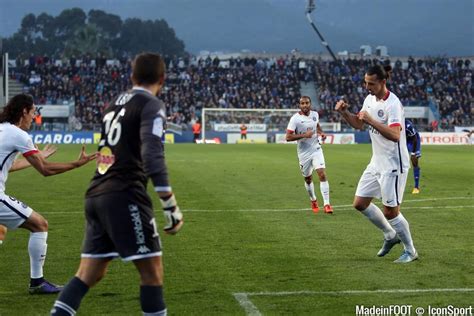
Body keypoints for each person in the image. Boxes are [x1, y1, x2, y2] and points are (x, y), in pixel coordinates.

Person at [51, 52, 184, 316]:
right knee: (152, 274)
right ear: (163, 78)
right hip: (125, 195)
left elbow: (108, 152)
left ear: (132, 76)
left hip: (97, 192)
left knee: (90, 273)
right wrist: (170, 205)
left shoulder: (114, 103)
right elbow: (153, 157)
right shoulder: (151, 104)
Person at [0, 93, 97, 293]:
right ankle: (37, 283)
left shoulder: (3, 130)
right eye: (33, 112)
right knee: (39, 224)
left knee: (1, 230)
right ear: (24, 111)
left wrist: (36, 157)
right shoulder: (20, 135)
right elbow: (46, 170)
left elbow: (8, 166)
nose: (34, 117)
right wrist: (77, 164)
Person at [335, 64, 418, 263]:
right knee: (360, 203)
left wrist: (371, 121)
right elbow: (359, 123)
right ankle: (390, 236)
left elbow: (395, 135)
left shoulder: (393, 104)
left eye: (371, 83)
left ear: (383, 82)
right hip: (376, 162)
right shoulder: (369, 99)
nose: (367, 87)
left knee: (391, 211)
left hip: (393, 164)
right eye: (365, 82)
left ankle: (410, 251)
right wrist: (345, 113)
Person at [286, 96, 333, 214]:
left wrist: (321, 133)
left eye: (307, 103)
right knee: (308, 179)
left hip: (316, 149)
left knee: (322, 174)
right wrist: (304, 135)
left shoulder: (315, 114)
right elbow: (288, 137)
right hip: (303, 153)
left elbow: (316, 125)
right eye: (302, 103)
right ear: (299, 105)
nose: (305, 105)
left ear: (310, 104)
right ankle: (313, 200)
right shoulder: (295, 119)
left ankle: (327, 204)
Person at [405, 119, 421, 194]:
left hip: (413, 141)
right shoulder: (392, 123)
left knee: (414, 161)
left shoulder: (407, 125)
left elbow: (414, 138)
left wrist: (413, 153)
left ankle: (416, 187)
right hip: (403, 141)